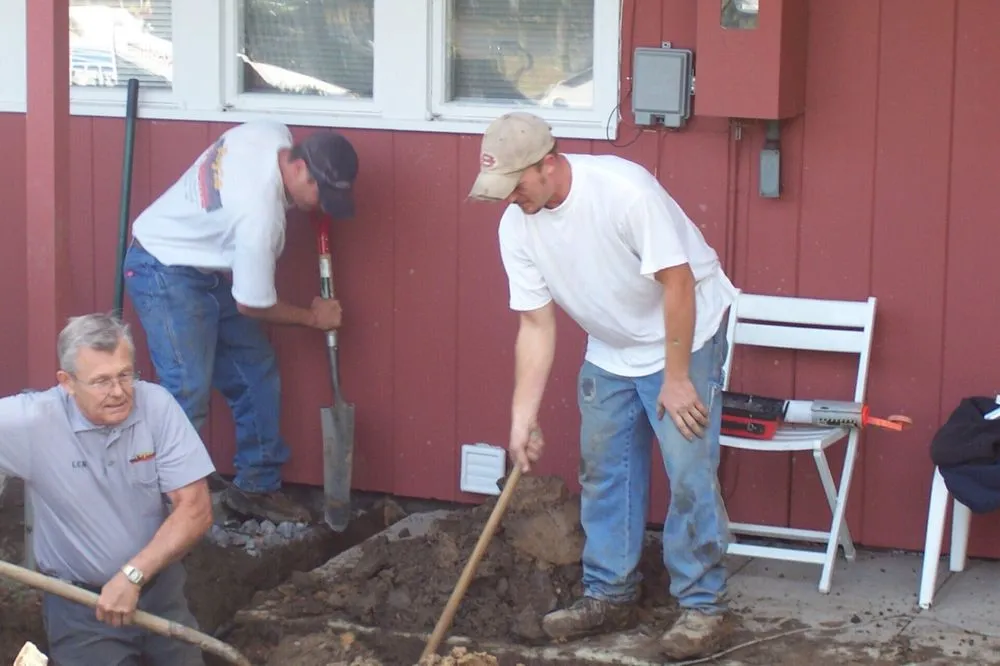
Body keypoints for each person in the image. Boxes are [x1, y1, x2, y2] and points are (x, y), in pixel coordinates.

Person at [468, 112, 739, 660]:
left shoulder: (623, 192)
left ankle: (703, 607)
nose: (509, 198)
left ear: (548, 164)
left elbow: (679, 283)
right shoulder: (516, 226)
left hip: (684, 335)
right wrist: (522, 416)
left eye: (516, 184)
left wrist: (677, 377)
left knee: (688, 471)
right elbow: (535, 324)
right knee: (604, 469)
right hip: (612, 347)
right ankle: (609, 593)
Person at [123, 120, 360, 524]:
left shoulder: (270, 133)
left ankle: (257, 486)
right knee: (186, 390)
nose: (323, 206)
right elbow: (252, 304)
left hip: (207, 268)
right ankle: (153, 511)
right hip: (161, 266)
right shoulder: (260, 217)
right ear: (300, 169)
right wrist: (313, 317)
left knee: (255, 370)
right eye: (322, 194)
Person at [0, 313, 215, 665]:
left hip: (160, 594)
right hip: (81, 609)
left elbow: (196, 509)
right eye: (101, 381)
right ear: (67, 382)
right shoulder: (34, 423)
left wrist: (133, 576)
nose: (118, 391)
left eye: (125, 375)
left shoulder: (156, 407)